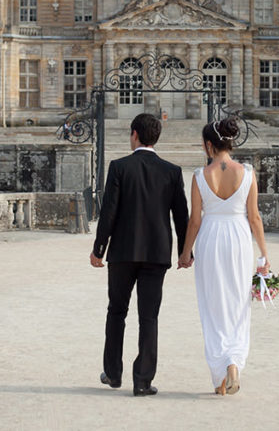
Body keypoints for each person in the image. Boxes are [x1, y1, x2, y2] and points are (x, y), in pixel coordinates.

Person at [90, 113, 189, 397]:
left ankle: (113, 374)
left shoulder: (119, 167)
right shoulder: (171, 171)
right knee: (149, 317)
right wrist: (185, 251)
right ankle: (143, 381)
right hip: (157, 254)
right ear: (156, 137)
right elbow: (181, 216)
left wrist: (99, 249)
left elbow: (108, 212)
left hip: (122, 252)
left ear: (134, 134)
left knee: (116, 311)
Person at [178, 117, 269, 396]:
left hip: (211, 238)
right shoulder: (248, 172)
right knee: (238, 305)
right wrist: (264, 256)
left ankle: (220, 376)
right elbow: (254, 218)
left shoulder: (198, 175)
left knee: (213, 307)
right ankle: (234, 362)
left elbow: (194, 220)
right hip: (239, 238)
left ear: (209, 145)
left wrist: (184, 254)